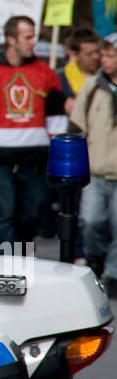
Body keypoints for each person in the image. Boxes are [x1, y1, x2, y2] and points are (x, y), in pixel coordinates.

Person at [0, 14, 65, 246]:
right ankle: (10, 266)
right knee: (3, 215)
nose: (33, 42)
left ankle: (21, 255)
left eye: (34, 37)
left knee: (32, 214)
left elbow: (57, 119)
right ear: (11, 39)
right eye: (28, 37)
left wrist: (58, 156)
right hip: (0, 161)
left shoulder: (46, 73)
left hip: (35, 161)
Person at [70, 37, 117, 292]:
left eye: (109, 56)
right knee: (91, 221)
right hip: (95, 172)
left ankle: (114, 274)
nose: (103, 60)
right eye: (102, 55)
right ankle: (95, 258)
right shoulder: (92, 87)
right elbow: (76, 127)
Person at [59, 28, 101, 115]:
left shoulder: (107, 76)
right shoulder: (62, 80)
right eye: (89, 53)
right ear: (75, 55)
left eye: (97, 52)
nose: (96, 57)